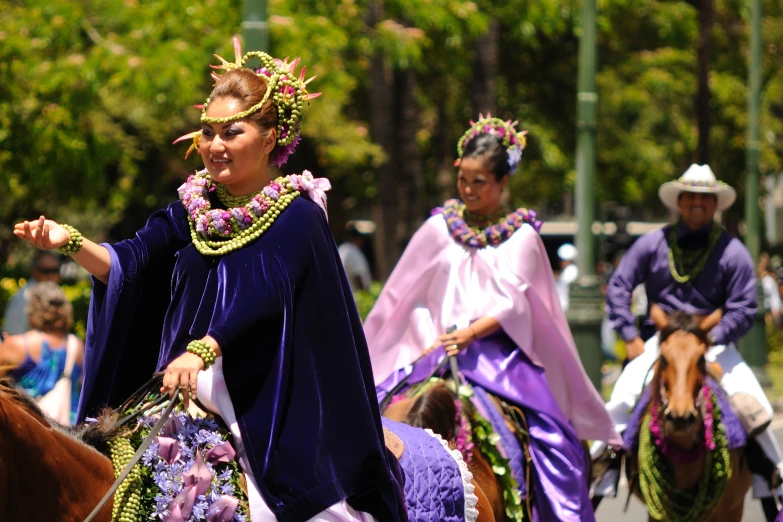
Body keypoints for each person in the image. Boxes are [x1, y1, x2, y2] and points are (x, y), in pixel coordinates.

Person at [13, 38, 406, 522]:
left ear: (271, 137)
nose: (214, 145)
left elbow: (266, 289)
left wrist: (203, 348)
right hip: (176, 390)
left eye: (232, 132)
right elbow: (131, 263)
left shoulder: (298, 216)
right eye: (207, 131)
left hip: (268, 400)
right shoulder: (193, 208)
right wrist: (68, 242)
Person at [364, 115, 621, 522]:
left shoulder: (523, 236)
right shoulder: (437, 227)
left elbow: (517, 303)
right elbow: (402, 293)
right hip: (432, 350)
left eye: (478, 181)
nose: (467, 189)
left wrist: (469, 333)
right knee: (369, 418)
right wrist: (427, 340)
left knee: (556, 444)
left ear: (502, 183)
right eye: (463, 179)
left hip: (498, 360)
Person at [601, 164, 783, 518]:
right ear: (679, 202)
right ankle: (600, 476)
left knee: (753, 406)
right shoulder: (652, 244)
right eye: (691, 197)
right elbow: (620, 287)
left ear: (715, 205)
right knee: (621, 400)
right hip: (661, 343)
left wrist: (712, 336)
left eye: (706, 198)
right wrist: (630, 337)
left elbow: (744, 306)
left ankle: (771, 485)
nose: (698, 203)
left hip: (713, 343)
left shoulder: (733, 251)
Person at [0, 282, 84, 424]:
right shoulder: (77, 345)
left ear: (32, 310)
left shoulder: (18, 344)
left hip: (30, 428)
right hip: (68, 432)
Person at [2, 251, 62, 335]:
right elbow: (11, 335)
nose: (51, 275)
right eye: (45, 271)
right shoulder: (24, 297)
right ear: (34, 271)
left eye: (55, 270)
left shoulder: (57, 294)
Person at [338, 222, 372, 293]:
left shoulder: (340, 250)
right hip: (355, 298)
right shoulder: (353, 251)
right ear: (359, 238)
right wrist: (364, 295)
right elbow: (357, 275)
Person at [556, 243, 578, 311]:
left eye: (561, 260)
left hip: (565, 308)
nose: (559, 262)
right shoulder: (569, 270)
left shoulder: (571, 270)